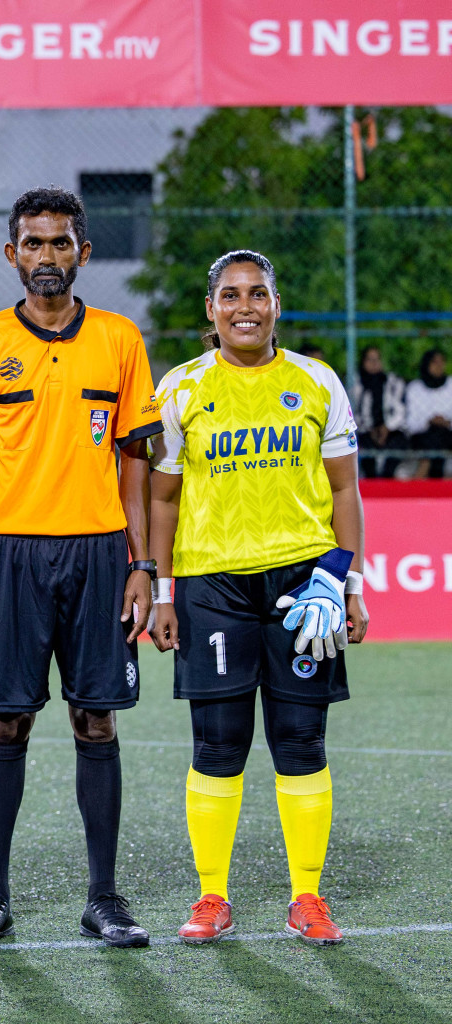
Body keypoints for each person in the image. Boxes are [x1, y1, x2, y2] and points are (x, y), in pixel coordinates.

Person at [0, 186, 161, 949]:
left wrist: (143, 565)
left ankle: (104, 897)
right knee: (8, 721)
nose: (46, 256)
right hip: (7, 555)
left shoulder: (121, 341)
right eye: (32, 244)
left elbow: (135, 463)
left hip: (100, 553)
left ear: (83, 253)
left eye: (60, 243)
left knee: (94, 719)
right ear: (11, 254)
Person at [148, 249, 368, 947]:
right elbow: (162, 496)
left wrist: (350, 583)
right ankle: (213, 896)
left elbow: (342, 491)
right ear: (210, 309)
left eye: (259, 294)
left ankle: (307, 896)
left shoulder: (316, 381)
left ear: (276, 304)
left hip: (306, 585)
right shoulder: (180, 389)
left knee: (301, 739)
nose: (246, 306)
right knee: (218, 743)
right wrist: (161, 591)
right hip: (211, 585)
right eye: (232, 295)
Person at [350, 346, 407, 479]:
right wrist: (370, 429)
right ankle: (372, 479)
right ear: (363, 362)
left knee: (399, 442)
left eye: (377, 359)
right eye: (370, 359)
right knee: (362, 442)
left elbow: (400, 410)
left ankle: (388, 479)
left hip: (391, 429)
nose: (374, 363)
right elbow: (353, 412)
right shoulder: (356, 385)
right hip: (365, 429)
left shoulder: (393, 383)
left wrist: (387, 427)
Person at [404, 348, 452, 478]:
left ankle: (426, 472)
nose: (439, 366)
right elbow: (411, 423)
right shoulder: (415, 388)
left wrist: (446, 422)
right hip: (423, 435)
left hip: (447, 433)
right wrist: (429, 421)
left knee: (441, 434)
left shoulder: (450, 385)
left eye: (441, 362)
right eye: (435, 362)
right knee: (433, 437)